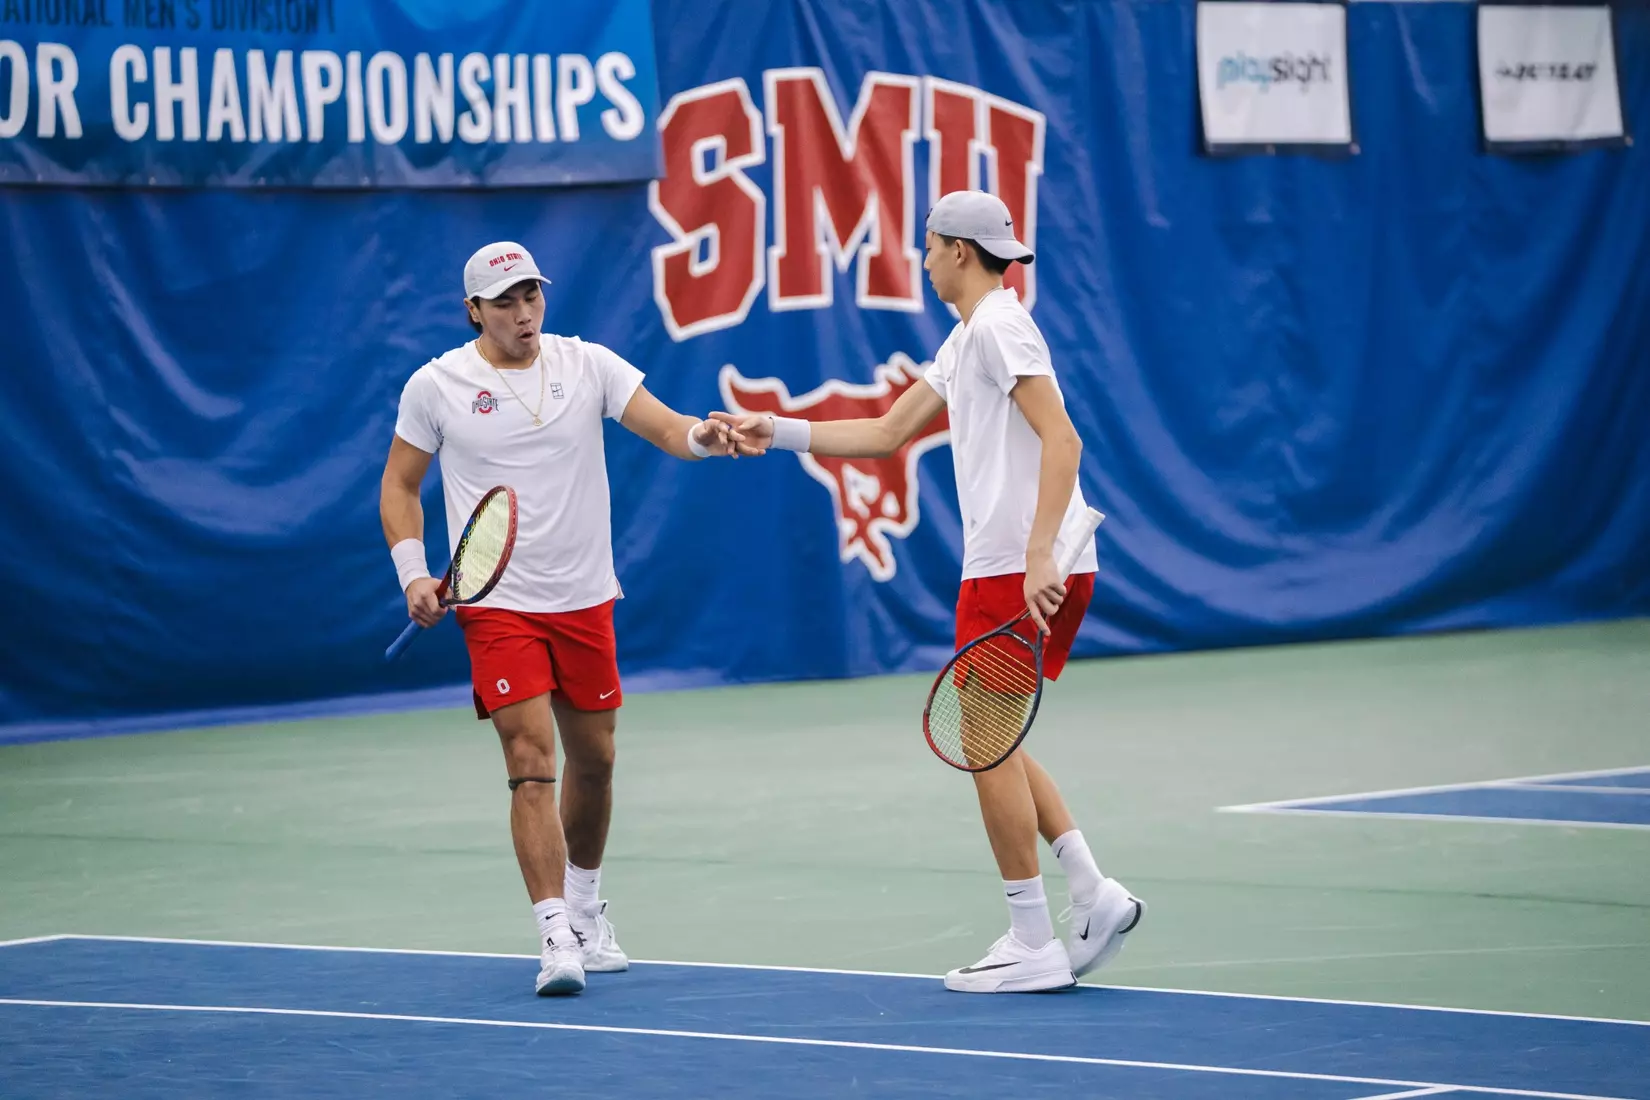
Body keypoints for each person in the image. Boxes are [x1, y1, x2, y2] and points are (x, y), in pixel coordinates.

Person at [713, 191, 1144, 993]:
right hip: (1015, 562)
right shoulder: (969, 336)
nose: (922, 259)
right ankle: (1093, 892)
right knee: (996, 740)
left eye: (929, 246)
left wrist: (1039, 553)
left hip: (1017, 567)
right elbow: (885, 433)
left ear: (956, 250)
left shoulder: (1001, 326)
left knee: (985, 746)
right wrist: (783, 431)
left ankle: (1031, 939)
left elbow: (1064, 437)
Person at [380, 241, 743, 996]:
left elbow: (671, 428)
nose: (523, 314)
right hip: (497, 605)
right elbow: (400, 486)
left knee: (598, 761)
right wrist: (413, 571)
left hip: (584, 598)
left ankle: (585, 905)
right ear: (473, 309)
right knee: (529, 757)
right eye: (505, 301)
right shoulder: (437, 385)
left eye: (532, 297)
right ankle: (554, 936)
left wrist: (704, 438)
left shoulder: (587, 365)